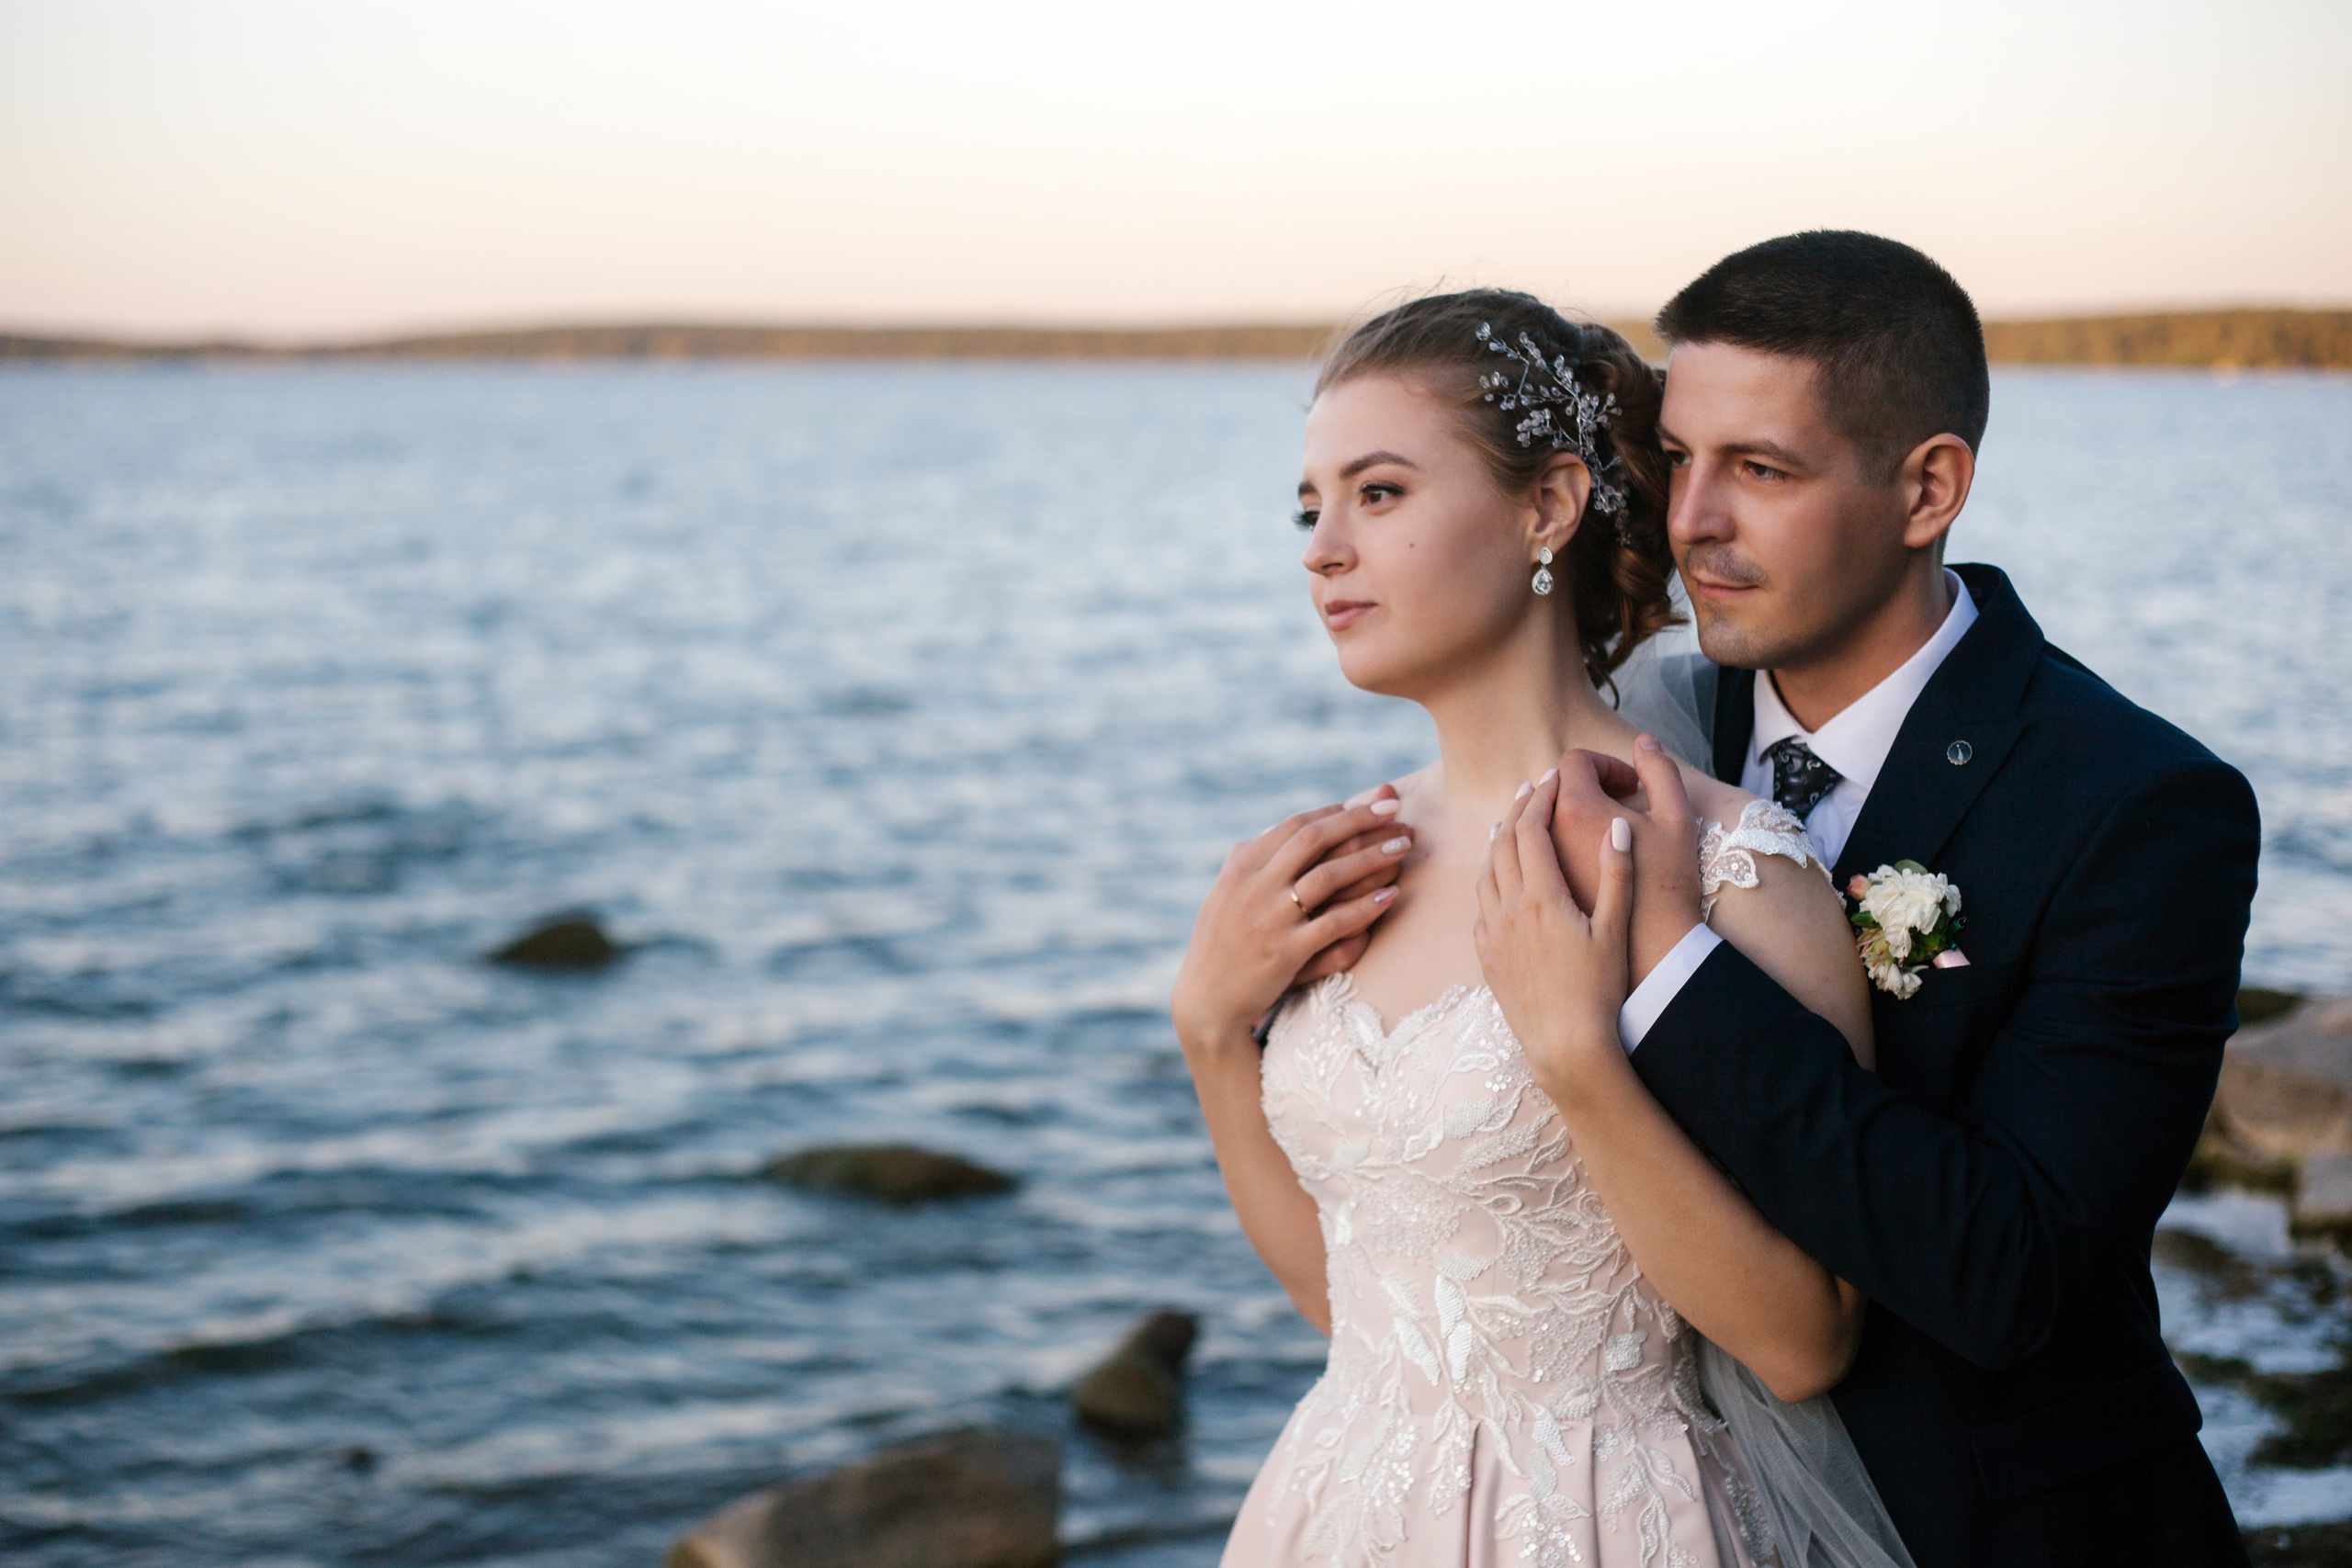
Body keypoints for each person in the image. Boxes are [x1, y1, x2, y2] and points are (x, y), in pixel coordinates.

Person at [1531, 231, 2261, 1566]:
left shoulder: (2139, 806)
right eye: (1679, 458)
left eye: (1760, 469)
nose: (1693, 521)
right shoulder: (1634, 735)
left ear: (1929, 488)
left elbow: (2012, 1271)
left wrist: (1671, 970)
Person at [1170, 288, 1917, 1567]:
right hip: (1341, 1510)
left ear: (1548, 507)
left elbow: (1803, 1344)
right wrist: (1207, 1031)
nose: (1322, 548)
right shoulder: (1346, 856)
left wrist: (1578, 1063)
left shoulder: (1726, 863)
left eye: (1380, 493)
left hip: (1604, 1519)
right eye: (1311, 505)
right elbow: (1341, 1300)